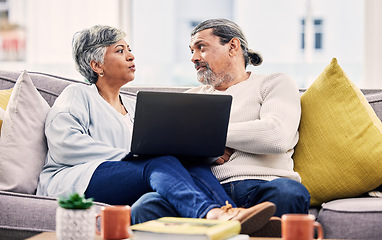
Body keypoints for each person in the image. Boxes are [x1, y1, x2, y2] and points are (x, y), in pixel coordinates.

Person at [35, 25, 276, 234]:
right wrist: (134, 157)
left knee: (191, 164)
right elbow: (65, 145)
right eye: (120, 51)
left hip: (128, 174)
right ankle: (211, 214)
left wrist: (206, 152)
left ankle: (231, 214)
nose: (131, 56)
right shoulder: (77, 95)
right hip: (76, 180)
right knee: (157, 162)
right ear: (96, 65)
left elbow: (162, 147)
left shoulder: (135, 105)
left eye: (129, 49)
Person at [131, 19, 311, 236]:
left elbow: (276, 135)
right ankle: (224, 220)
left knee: (291, 193)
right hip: (204, 193)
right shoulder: (192, 99)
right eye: (192, 50)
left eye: (201, 47)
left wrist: (210, 138)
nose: (193, 58)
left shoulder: (274, 83)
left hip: (264, 187)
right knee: (147, 205)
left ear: (233, 46)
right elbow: (170, 155)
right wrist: (207, 153)